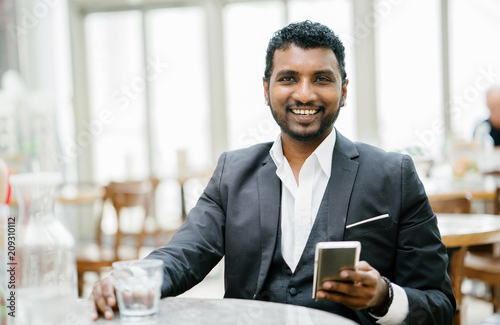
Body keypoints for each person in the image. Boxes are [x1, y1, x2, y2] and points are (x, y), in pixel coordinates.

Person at [90, 21, 455, 324]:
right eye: (288, 78)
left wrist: (383, 297)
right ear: (266, 90)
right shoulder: (232, 172)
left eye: (322, 79)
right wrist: (132, 280)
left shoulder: (394, 174)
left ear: (344, 91)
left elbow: (439, 303)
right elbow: (185, 254)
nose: (305, 93)